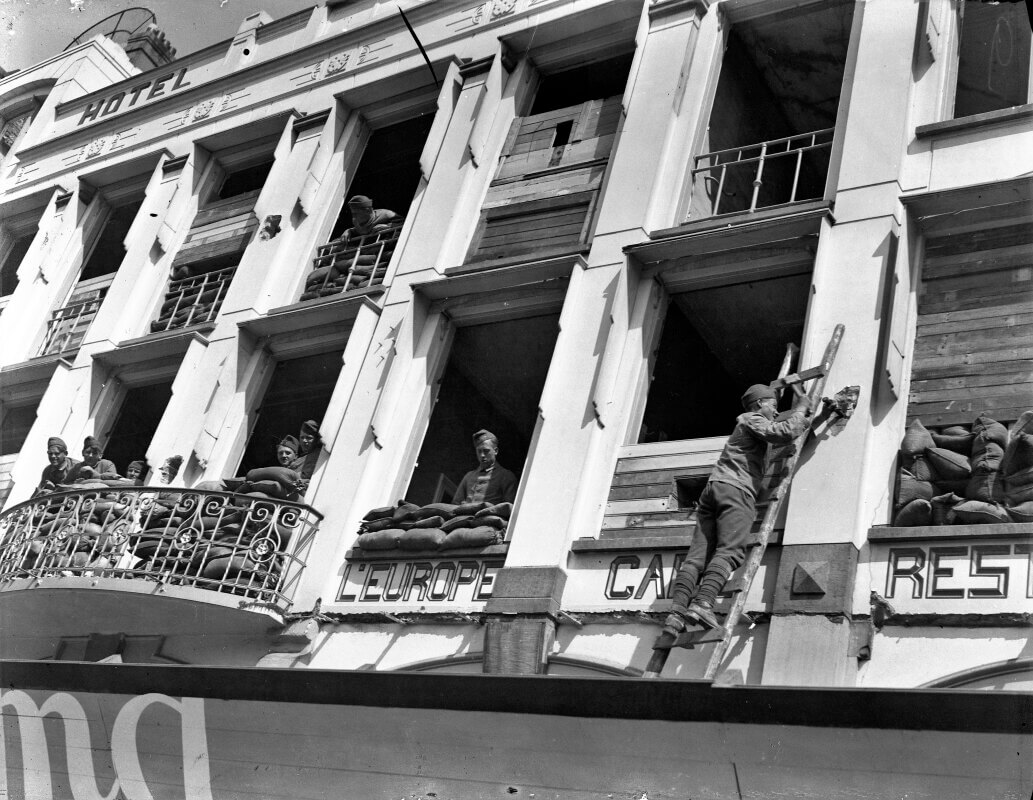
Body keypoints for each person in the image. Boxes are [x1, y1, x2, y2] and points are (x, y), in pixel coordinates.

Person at [665, 384, 813, 631]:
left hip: (715, 490)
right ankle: (703, 604)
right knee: (730, 550)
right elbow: (782, 432)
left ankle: (676, 614)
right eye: (774, 406)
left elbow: (772, 436)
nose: (776, 412)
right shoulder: (752, 419)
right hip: (735, 490)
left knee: (696, 558)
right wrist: (800, 410)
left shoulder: (749, 429)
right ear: (759, 405)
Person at [452, 429, 518, 506]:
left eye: (486, 451)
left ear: (495, 451)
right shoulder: (468, 476)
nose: (482, 455)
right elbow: (456, 504)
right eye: (479, 451)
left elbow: (508, 507)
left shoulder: (506, 476)